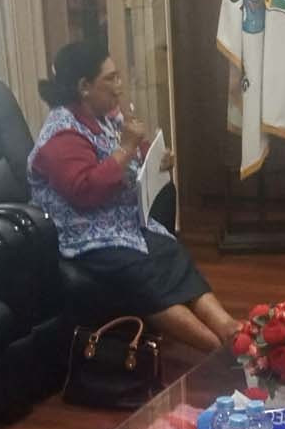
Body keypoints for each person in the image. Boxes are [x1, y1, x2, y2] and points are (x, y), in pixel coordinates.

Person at [28, 41, 240, 351]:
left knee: (169, 251)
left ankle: (230, 329)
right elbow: (85, 190)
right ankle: (218, 351)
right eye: (110, 78)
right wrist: (126, 147)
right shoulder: (60, 135)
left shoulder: (104, 116)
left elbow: (135, 152)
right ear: (84, 86)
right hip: (85, 237)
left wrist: (155, 157)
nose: (119, 85)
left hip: (121, 225)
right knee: (142, 271)